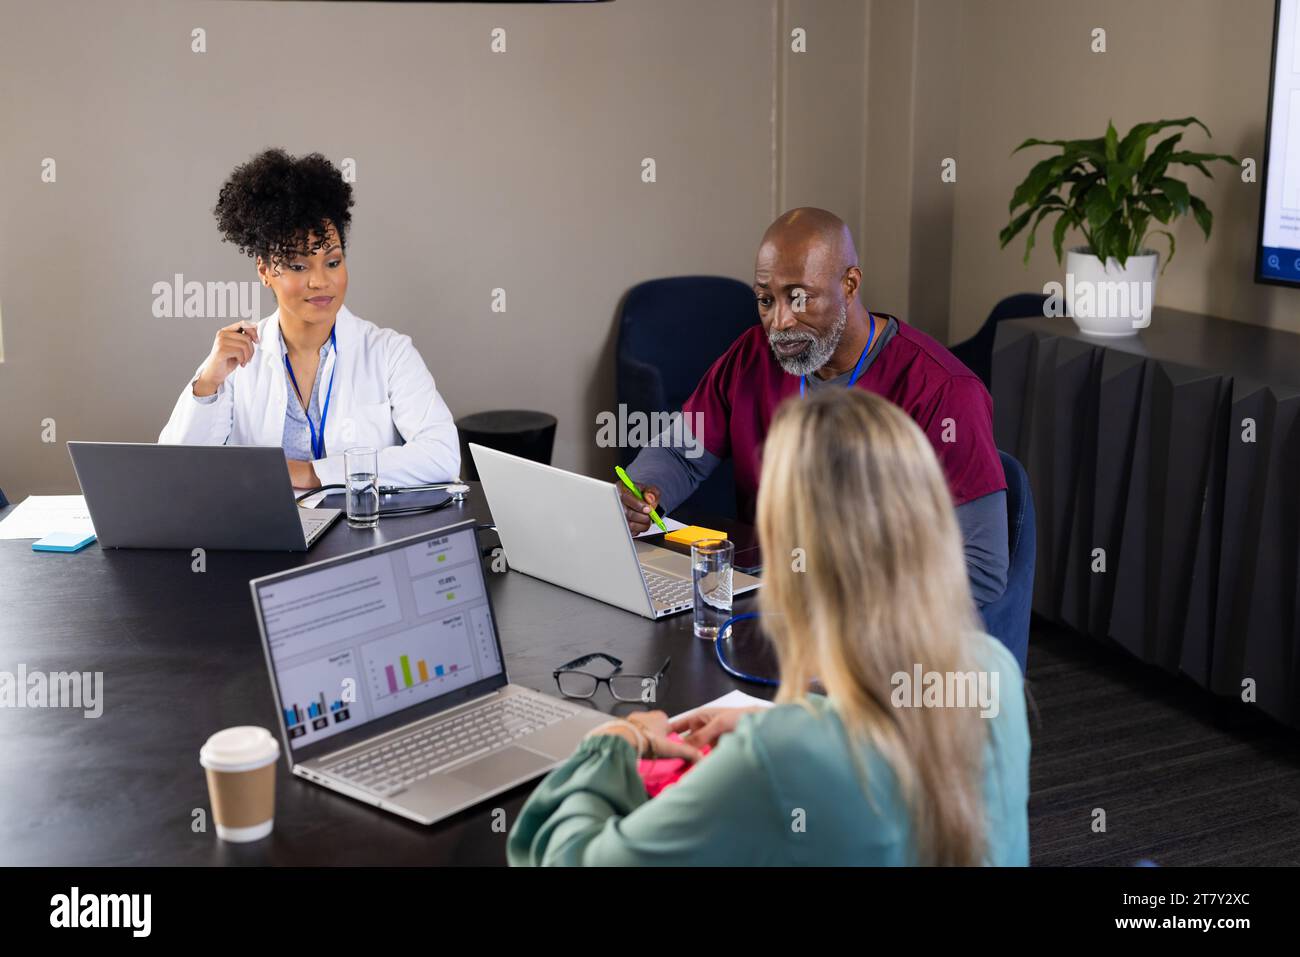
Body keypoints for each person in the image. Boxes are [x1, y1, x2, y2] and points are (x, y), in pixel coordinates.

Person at [508, 388, 1030, 866]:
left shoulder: (775, 760)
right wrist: (794, 720)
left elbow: (571, 860)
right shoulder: (994, 673)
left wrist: (612, 745)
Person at [621, 207, 1008, 606]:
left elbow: (978, 569)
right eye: (765, 300)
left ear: (850, 284)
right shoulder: (752, 356)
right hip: (765, 599)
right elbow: (679, 453)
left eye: (799, 298)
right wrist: (643, 493)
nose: (780, 322)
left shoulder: (945, 391)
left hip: (869, 616)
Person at [159, 148, 459, 488]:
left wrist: (312, 473)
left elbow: (442, 455)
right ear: (264, 270)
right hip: (266, 523)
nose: (320, 281)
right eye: (299, 266)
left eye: (333, 262)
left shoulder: (389, 353)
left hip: (362, 522)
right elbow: (174, 471)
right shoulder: (237, 359)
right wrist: (208, 384)